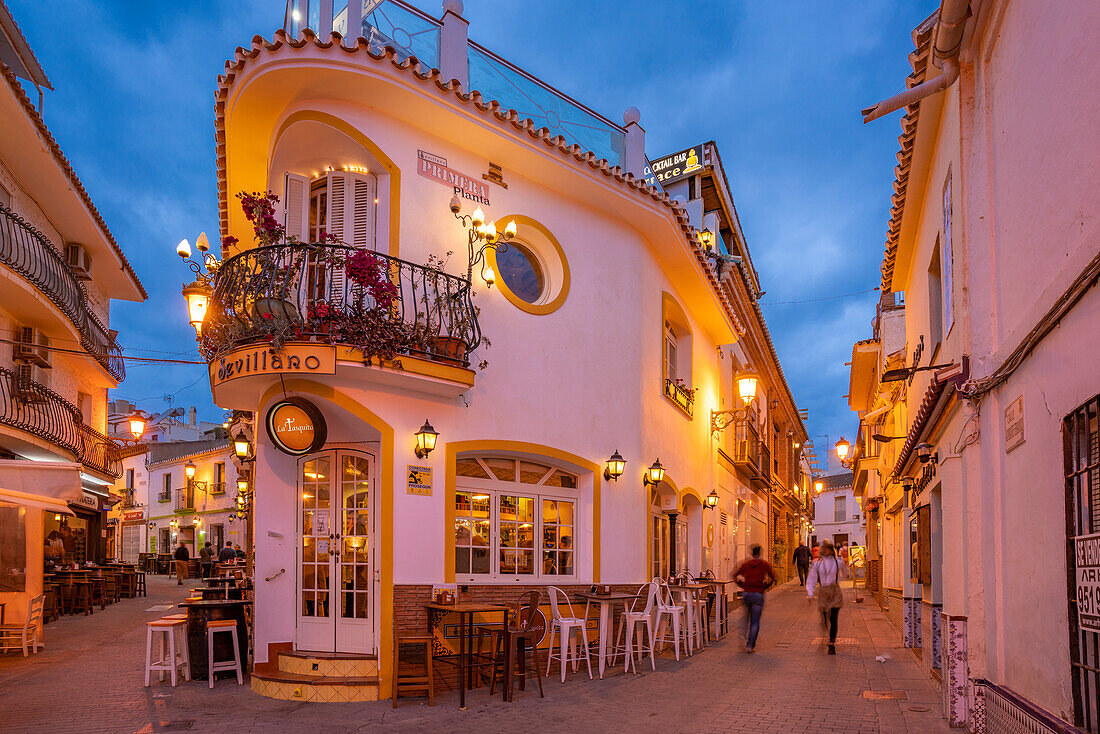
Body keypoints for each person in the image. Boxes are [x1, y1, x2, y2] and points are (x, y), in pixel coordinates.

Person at [807, 540, 850, 655]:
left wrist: (840, 574)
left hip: (835, 590)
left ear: (831, 550)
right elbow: (812, 578)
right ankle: (827, 633)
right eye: (822, 548)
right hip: (823, 591)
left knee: (834, 618)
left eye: (825, 548)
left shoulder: (838, 562)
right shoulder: (817, 563)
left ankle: (831, 643)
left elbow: (845, 573)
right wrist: (810, 593)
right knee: (825, 617)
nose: (822, 550)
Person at [732, 544, 777, 653]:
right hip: (758, 594)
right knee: (755, 621)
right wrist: (764, 587)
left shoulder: (746, 564)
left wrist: (743, 585)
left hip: (747, 594)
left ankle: (743, 633)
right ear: (760, 553)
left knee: (746, 616)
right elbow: (773, 577)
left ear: (752, 553)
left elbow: (735, 575)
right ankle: (750, 645)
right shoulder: (765, 564)